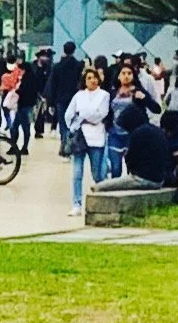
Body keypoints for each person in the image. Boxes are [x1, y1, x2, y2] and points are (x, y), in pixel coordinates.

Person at [64, 65, 112, 215]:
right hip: (80, 137)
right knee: (77, 173)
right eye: (88, 78)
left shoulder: (104, 95)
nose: (91, 81)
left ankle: (101, 199)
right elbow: (69, 114)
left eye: (94, 78)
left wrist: (83, 115)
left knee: (97, 173)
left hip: (96, 137)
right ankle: (76, 203)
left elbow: (100, 115)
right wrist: (75, 123)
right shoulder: (79, 95)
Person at [47, 41, 83, 156]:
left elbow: (53, 85)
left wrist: (51, 102)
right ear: (74, 50)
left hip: (60, 99)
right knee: (73, 123)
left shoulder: (57, 66)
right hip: (75, 99)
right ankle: (71, 145)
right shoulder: (78, 65)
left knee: (63, 124)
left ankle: (64, 146)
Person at [105, 70, 137, 179]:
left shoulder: (138, 92)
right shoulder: (112, 93)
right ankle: (114, 192)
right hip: (114, 133)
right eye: (123, 73)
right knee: (116, 168)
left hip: (131, 134)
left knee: (133, 168)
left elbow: (153, 107)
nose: (126, 76)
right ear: (118, 76)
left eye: (129, 73)